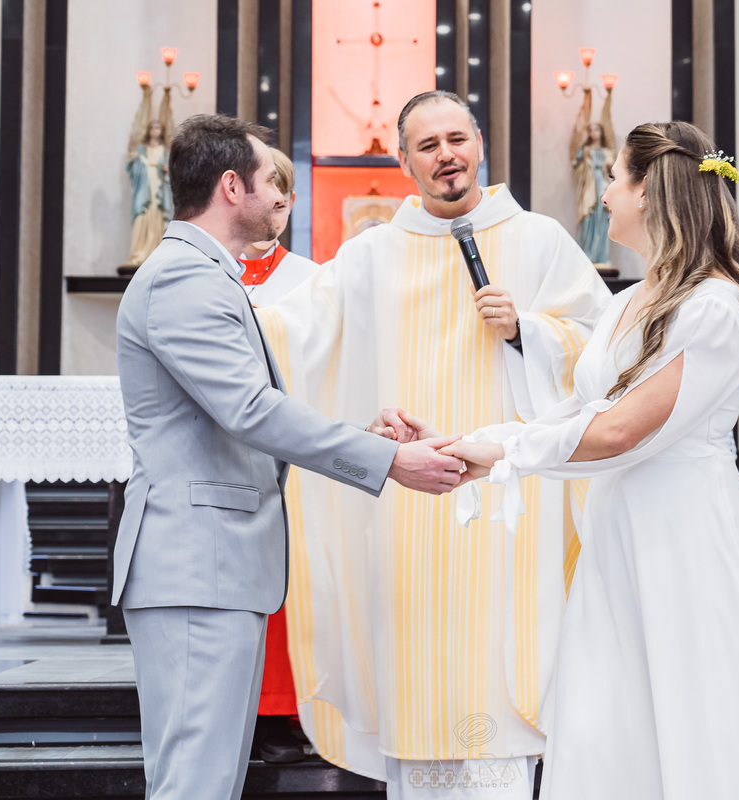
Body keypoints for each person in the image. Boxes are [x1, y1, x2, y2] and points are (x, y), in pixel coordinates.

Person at [442, 121, 739, 799]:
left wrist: (510, 453)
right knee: (606, 716)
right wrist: (478, 445)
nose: (604, 193)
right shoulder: (626, 301)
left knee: (690, 713)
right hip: (616, 534)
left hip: (680, 538)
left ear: (650, 191)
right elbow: (577, 414)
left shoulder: (715, 307)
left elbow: (619, 433)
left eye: (614, 177)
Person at [253, 91, 610, 798]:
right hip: (407, 503)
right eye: (428, 145)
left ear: (480, 143)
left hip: (514, 501)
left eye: (457, 138)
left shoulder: (538, 240)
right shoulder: (373, 253)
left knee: (502, 673)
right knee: (419, 667)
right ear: (404, 161)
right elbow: (296, 338)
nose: (446, 155)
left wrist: (529, 331)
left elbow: (603, 353)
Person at [113, 114, 465, 800]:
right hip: (195, 569)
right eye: (272, 180)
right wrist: (386, 462)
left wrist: (365, 432)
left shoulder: (204, 273)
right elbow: (251, 411)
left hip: (214, 569)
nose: (282, 194)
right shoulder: (184, 278)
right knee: (194, 782)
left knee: (208, 778)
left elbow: (244, 411)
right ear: (231, 186)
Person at [237, 146, 321, 764]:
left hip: (291, 452)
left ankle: (287, 710)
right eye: (273, 192)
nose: (280, 205)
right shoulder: (209, 273)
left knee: (295, 583)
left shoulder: (313, 281)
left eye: (288, 197)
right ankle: (243, 710)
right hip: (230, 455)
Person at [238, 147, 317, 307]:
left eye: (279, 206)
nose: (268, 220)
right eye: (258, 206)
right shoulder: (212, 271)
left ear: (291, 203)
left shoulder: (311, 277)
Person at [570, 88, 616, 267]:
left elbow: (613, 171)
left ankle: (601, 256)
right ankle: (588, 254)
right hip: (589, 188)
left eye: (597, 128)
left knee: (603, 222)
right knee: (588, 220)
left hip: (603, 189)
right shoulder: (585, 151)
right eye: (590, 129)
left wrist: (607, 167)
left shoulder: (607, 152)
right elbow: (576, 165)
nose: (593, 132)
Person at [125, 110, 174, 267]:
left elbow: (172, 172)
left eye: (158, 127)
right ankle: (139, 253)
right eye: (152, 127)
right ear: (148, 131)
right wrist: (140, 162)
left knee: (158, 220)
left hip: (159, 191)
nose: (155, 131)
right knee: (142, 218)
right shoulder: (141, 151)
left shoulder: (165, 152)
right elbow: (133, 168)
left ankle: (155, 253)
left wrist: (167, 170)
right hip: (144, 190)